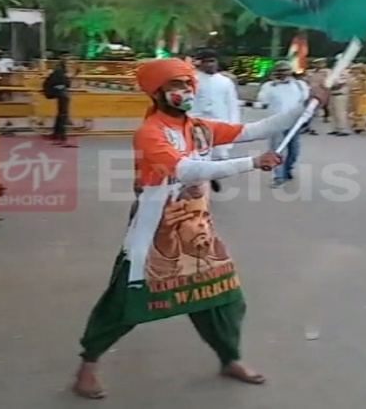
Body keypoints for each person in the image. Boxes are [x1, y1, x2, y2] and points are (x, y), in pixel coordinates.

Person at [72, 58, 327, 400]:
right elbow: (185, 170)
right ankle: (87, 366)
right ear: (157, 93)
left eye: (186, 84)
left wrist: (306, 104)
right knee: (124, 305)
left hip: (198, 232)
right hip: (155, 235)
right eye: (174, 86)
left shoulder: (200, 128)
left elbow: (258, 129)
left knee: (225, 300)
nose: (184, 91)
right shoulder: (150, 133)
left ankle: (229, 358)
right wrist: (252, 162)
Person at [190, 49, 241, 193]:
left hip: (220, 123)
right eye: (206, 62)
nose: (210, 65)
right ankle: (200, 183)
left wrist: (234, 127)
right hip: (197, 123)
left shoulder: (225, 82)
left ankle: (211, 175)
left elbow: (232, 105)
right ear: (199, 64)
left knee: (219, 155)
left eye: (212, 61)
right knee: (199, 155)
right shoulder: (192, 80)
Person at [257, 61, 310, 188]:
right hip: (276, 122)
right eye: (280, 71)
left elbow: (307, 101)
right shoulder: (269, 86)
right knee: (277, 150)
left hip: (294, 122)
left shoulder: (300, 85)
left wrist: (306, 119)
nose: (283, 74)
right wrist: (272, 85)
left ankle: (288, 169)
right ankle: (278, 176)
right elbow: (262, 100)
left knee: (294, 151)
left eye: (285, 71)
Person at [43, 52, 77, 147]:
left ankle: (58, 134)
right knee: (63, 114)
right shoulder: (60, 72)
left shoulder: (59, 71)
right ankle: (61, 135)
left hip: (59, 92)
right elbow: (65, 83)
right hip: (60, 93)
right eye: (69, 63)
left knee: (62, 114)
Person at [327, 65, 351, 136]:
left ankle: (342, 129)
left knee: (340, 113)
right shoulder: (333, 72)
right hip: (333, 94)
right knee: (333, 112)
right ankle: (335, 128)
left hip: (341, 94)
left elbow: (342, 83)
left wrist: (334, 84)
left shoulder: (346, 72)